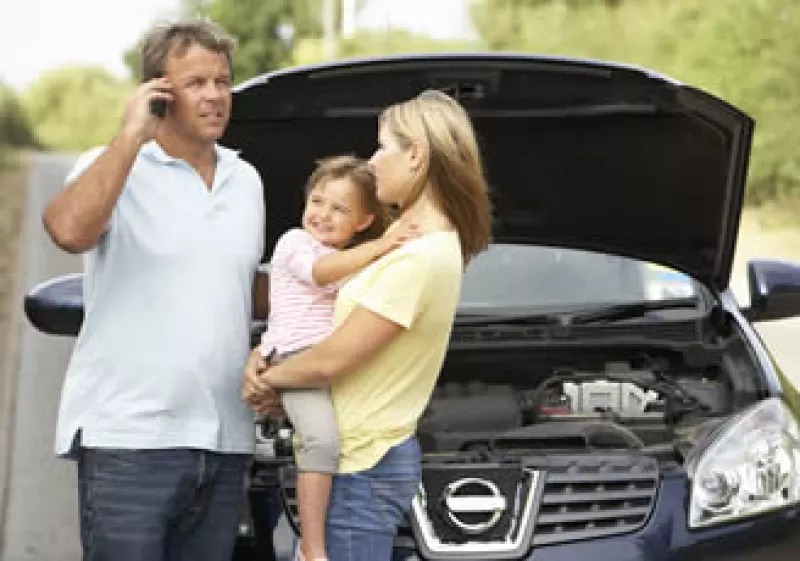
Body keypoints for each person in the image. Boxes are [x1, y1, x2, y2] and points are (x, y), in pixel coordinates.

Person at [42, 20, 266, 561]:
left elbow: (241, 290)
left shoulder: (246, 181)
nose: (215, 95)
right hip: (130, 441)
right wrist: (130, 137)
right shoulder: (112, 166)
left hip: (226, 442)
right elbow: (68, 231)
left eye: (222, 81)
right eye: (196, 83)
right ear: (158, 93)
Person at [242, 89, 493, 561]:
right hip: (357, 460)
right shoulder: (414, 247)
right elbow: (314, 318)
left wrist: (265, 379)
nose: (372, 162)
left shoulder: (418, 258)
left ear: (416, 155)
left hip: (362, 466)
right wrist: (270, 353)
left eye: (382, 147)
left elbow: (331, 360)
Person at [256, 155, 417, 561]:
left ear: (363, 221)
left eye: (339, 209)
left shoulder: (351, 262)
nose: (323, 215)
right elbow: (319, 273)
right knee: (322, 441)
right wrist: (383, 246)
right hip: (297, 360)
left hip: (333, 363)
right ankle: (312, 549)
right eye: (317, 201)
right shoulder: (295, 242)